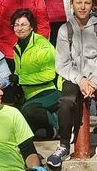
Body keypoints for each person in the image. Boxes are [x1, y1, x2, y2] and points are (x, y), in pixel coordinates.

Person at [46, 0, 97, 171]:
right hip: (74, 76)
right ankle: (63, 145)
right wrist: (80, 80)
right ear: (72, 4)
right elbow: (62, 62)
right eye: (79, 2)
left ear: (93, 5)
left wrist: (93, 81)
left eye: (87, 3)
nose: (83, 7)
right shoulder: (65, 29)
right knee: (66, 101)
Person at [11, 9, 60, 140]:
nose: (19, 28)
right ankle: (48, 131)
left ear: (31, 27)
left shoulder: (42, 44)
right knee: (20, 127)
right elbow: (18, 72)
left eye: (23, 24)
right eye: (16, 25)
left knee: (28, 111)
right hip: (29, 94)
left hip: (50, 91)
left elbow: (49, 74)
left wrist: (21, 79)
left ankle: (59, 123)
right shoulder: (17, 46)